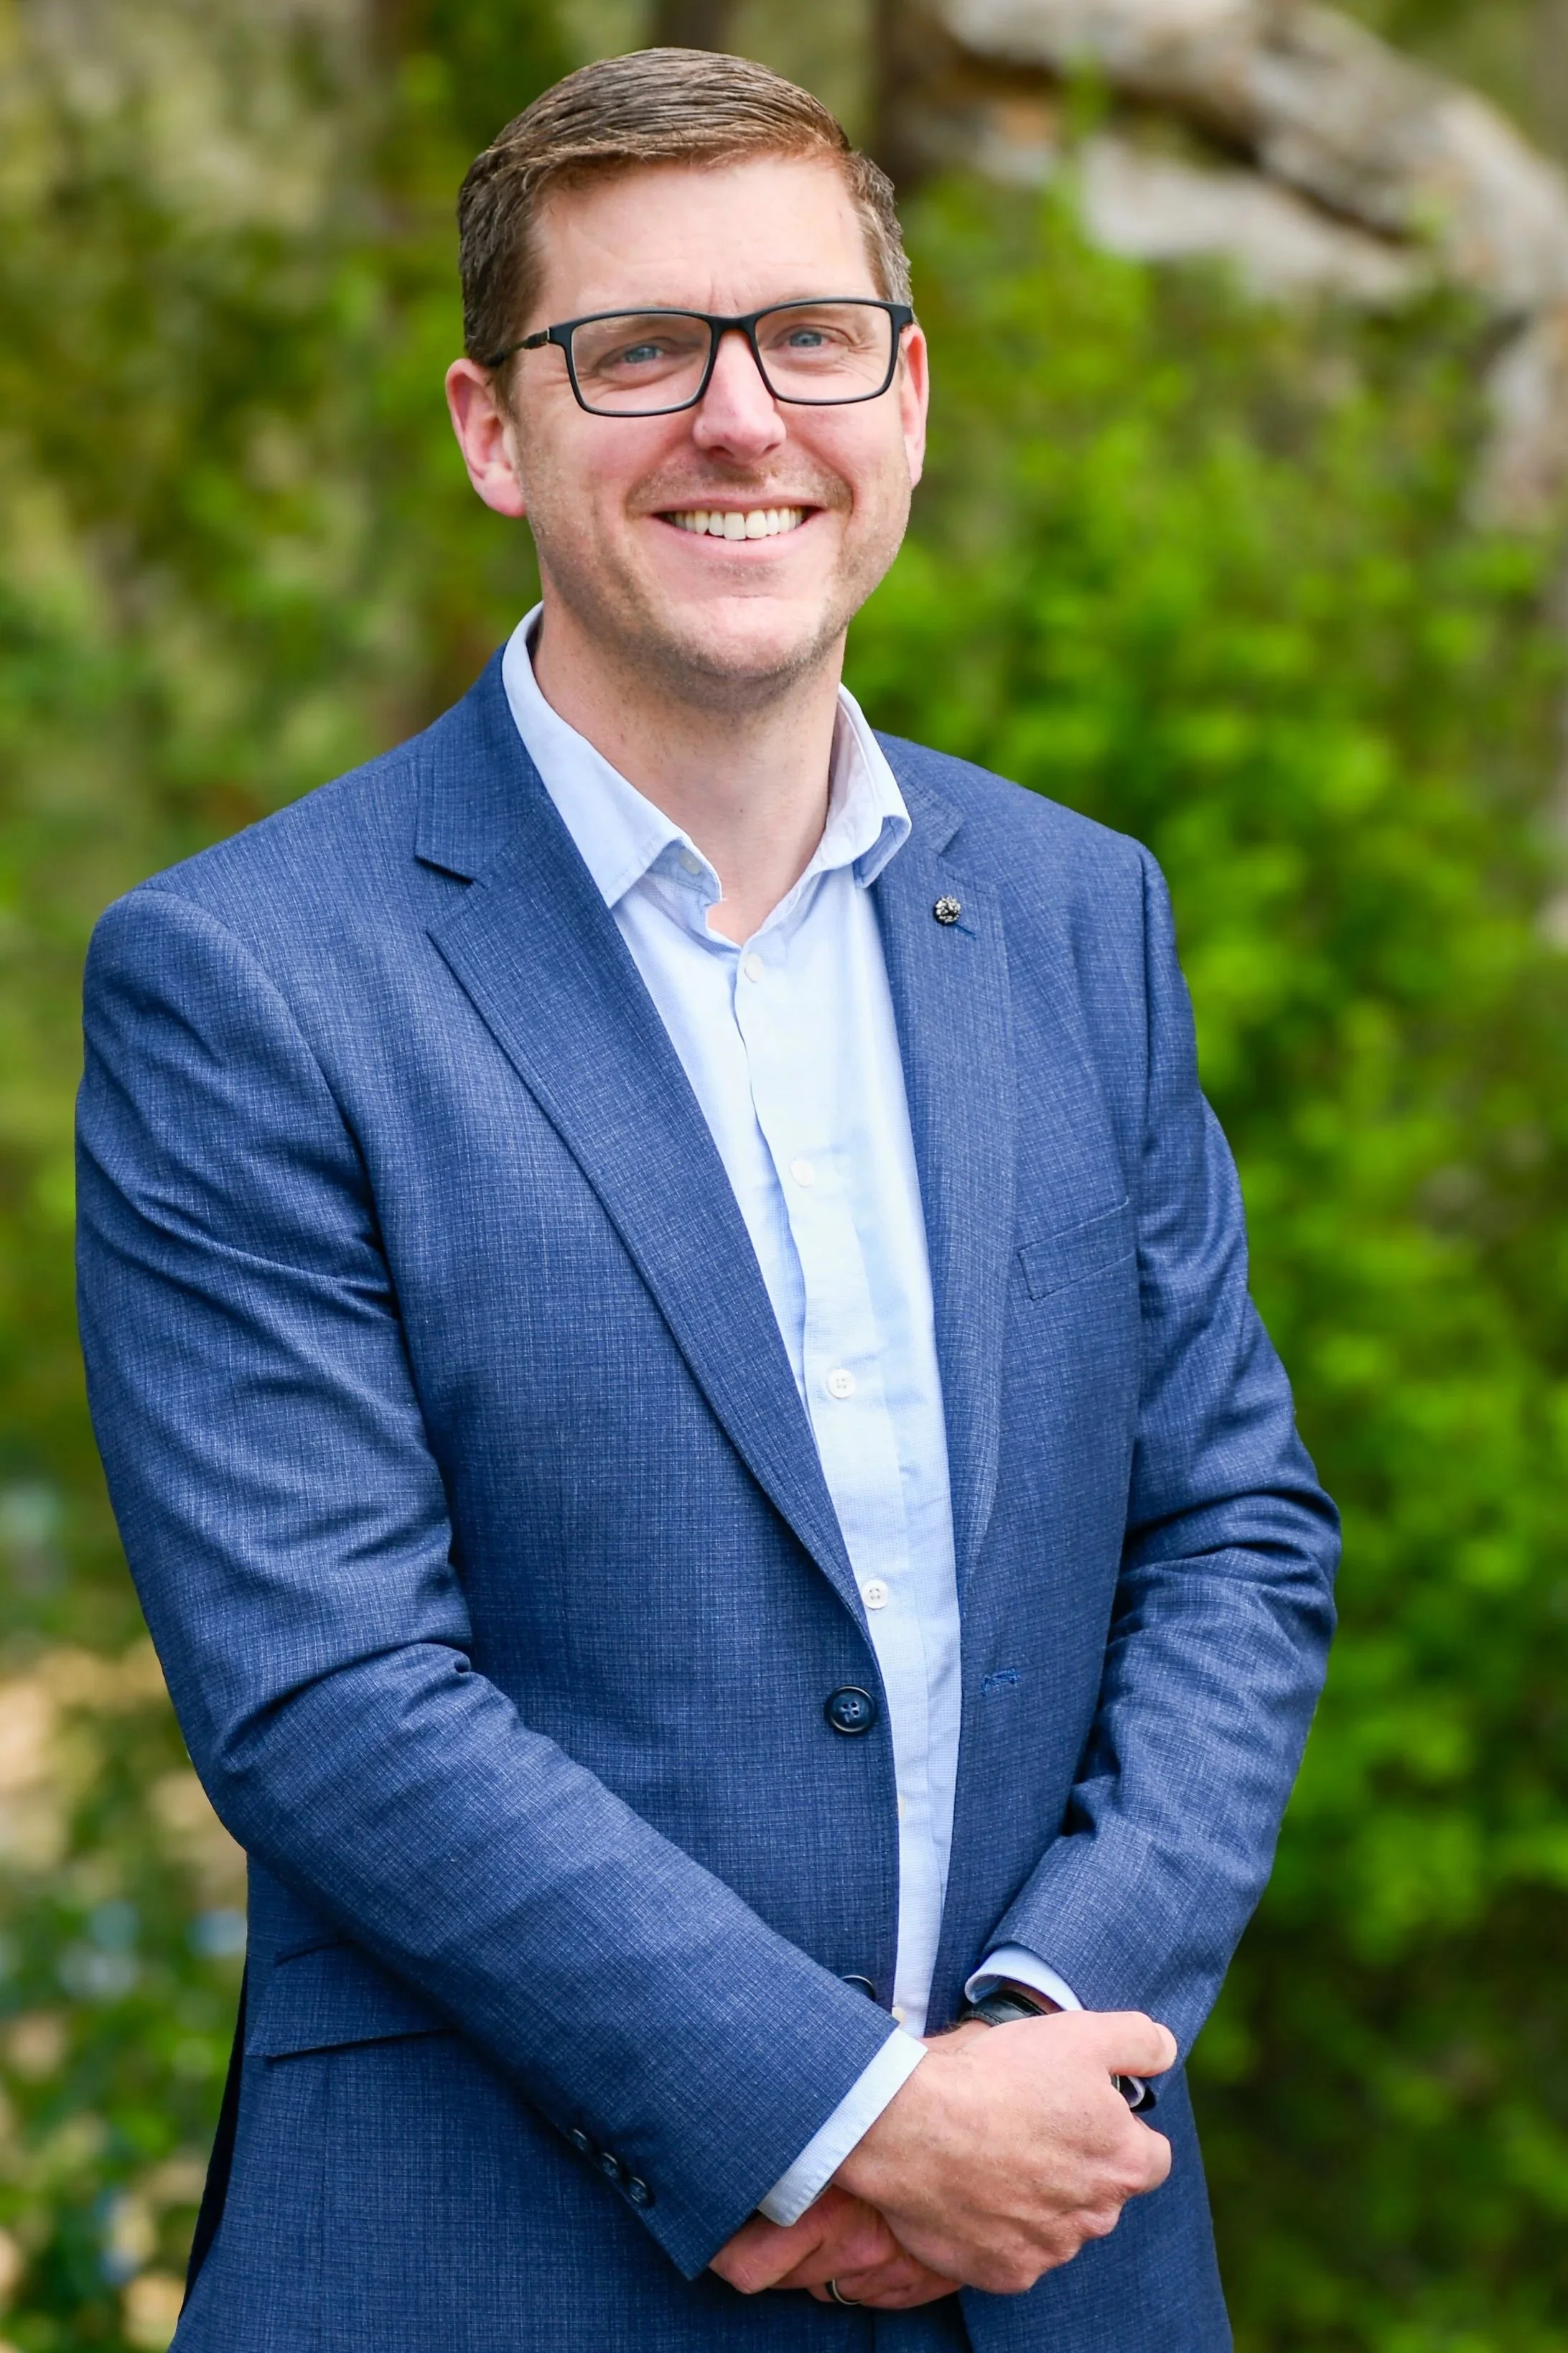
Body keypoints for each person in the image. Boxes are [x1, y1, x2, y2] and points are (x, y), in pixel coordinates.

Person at [75, 45, 1339, 2353]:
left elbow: (1233, 1525)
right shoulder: (250, 976)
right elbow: (332, 1688)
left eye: (808, 338)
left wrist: (1044, 2032)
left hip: (1062, 2260)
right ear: (493, 427)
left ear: (906, 393)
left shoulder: (1080, 914)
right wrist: (845, 2116)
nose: (740, 418)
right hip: (495, 2270)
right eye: (637, 350)